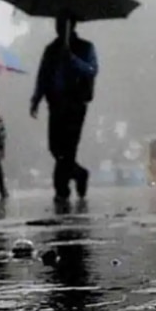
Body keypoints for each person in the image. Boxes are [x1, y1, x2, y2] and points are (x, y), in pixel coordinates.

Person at [30, 16, 98, 204]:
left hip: (76, 103)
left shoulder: (85, 47)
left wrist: (72, 59)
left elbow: (91, 70)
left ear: (72, 25)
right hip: (55, 103)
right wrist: (36, 98)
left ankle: (61, 189)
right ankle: (79, 173)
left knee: (68, 148)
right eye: (57, 24)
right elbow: (42, 75)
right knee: (55, 146)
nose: (59, 28)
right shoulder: (51, 49)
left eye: (63, 24)